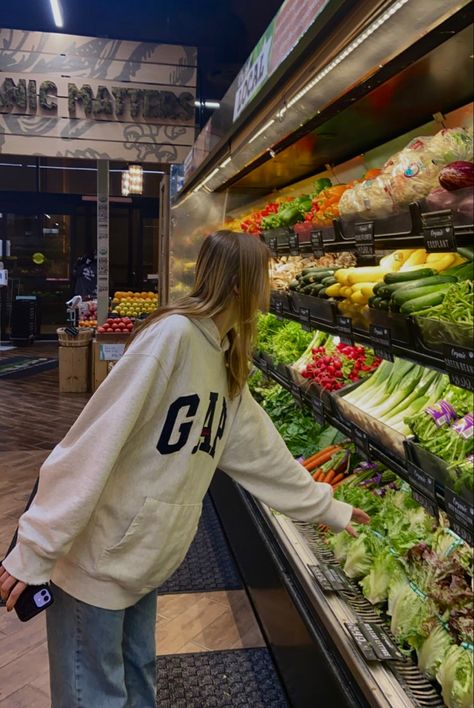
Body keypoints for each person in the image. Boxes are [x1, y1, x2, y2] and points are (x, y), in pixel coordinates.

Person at [0, 231, 369, 708]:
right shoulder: (172, 337)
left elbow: (261, 452)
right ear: (239, 285)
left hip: (143, 555)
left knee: (138, 682)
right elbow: (92, 441)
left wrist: (326, 506)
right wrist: (36, 545)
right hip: (94, 555)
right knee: (92, 693)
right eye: (264, 276)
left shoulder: (226, 353)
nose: (271, 289)